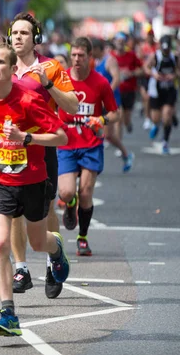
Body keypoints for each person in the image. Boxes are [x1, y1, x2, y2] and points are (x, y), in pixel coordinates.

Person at [0, 42, 70, 336]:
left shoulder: (28, 99)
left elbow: (61, 137)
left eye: (1, 62)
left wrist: (27, 138)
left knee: (38, 242)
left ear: (13, 69)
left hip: (33, 180)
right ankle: (8, 313)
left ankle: (57, 248)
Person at [8, 12, 78, 298]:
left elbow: (72, 106)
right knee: (13, 210)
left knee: (47, 209)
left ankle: (53, 260)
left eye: (24, 33)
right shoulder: (3, 67)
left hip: (42, 146)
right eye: (14, 33)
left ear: (35, 38)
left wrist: (48, 84)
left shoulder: (50, 67)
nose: (18, 38)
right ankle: (21, 269)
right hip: (10, 148)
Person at [58, 37, 121, 256]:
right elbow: (46, 107)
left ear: (89, 58)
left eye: (81, 56)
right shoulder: (60, 79)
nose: (76, 59)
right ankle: (69, 204)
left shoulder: (100, 82)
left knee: (86, 193)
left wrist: (101, 120)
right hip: (65, 142)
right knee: (66, 192)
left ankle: (82, 237)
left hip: (91, 143)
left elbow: (115, 113)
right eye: (73, 55)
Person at [92, 38, 134, 172]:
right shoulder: (96, 61)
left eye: (91, 50)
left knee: (108, 135)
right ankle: (91, 161)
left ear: (98, 49)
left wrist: (106, 95)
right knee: (95, 131)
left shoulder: (110, 61)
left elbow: (116, 78)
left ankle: (127, 155)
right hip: (98, 102)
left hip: (110, 102)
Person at [144, 35, 180, 154]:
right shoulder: (155, 56)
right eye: (163, 49)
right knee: (156, 118)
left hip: (169, 90)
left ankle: (165, 141)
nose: (165, 51)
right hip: (156, 90)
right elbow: (146, 67)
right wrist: (153, 74)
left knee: (166, 115)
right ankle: (156, 125)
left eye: (167, 49)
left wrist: (174, 75)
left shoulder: (175, 57)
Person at [112, 32, 143, 134]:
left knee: (126, 118)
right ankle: (118, 145)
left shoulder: (131, 55)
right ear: (114, 42)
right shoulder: (110, 57)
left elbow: (141, 70)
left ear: (125, 43)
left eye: (122, 41)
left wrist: (131, 73)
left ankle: (128, 123)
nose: (120, 43)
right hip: (115, 91)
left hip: (129, 90)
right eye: (118, 41)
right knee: (118, 118)